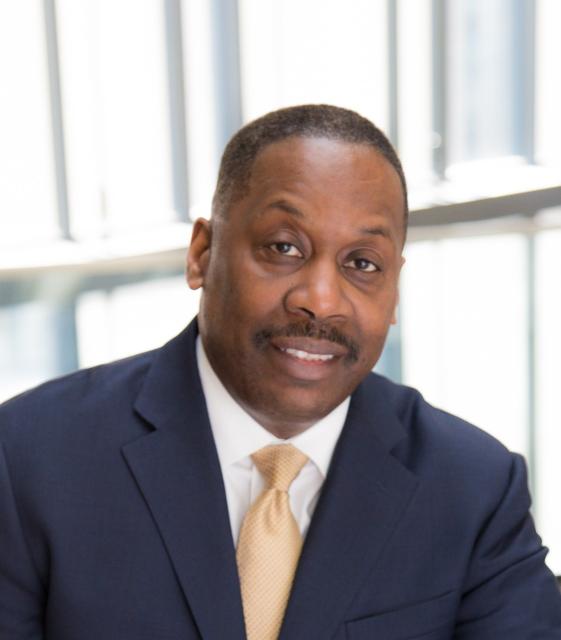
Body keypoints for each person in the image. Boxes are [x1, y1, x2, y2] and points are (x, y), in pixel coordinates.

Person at [0, 104, 560, 640]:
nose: (320, 300)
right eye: (283, 247)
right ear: (202, 252)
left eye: (362, 264)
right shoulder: (28, 459)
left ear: (394, 293)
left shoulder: (472, 486)